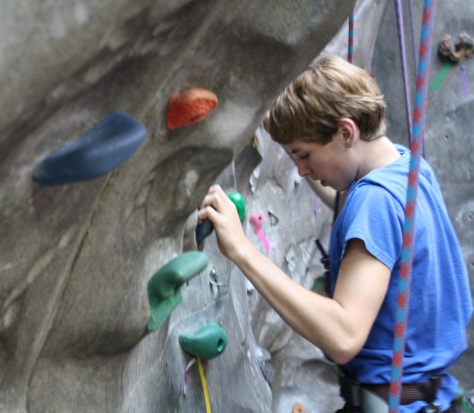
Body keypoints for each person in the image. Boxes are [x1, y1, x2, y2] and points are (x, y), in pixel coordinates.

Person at [197, 55, 473, 412]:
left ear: (346, 132)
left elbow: (344, 335)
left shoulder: (374, 201)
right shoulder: (408, 170)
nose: (301, 170)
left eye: (305, 155)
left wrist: (242, 250)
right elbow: (358, 208)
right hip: (436, 399)